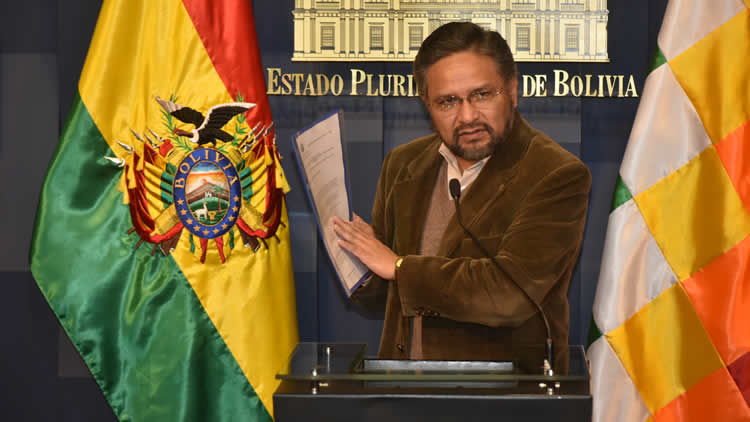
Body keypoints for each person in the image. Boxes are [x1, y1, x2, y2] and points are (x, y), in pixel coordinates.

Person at [332, 22, 590, 368]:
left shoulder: (555, 174)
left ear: (512, 90)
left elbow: (509, 294)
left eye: (482, 95)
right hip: (403, 393)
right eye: (448, 101)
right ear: (427, 104)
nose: (467, 116)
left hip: (505, 398)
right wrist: (353, 260)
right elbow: (386, 294)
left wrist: (398, 266)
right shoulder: (403, 164)